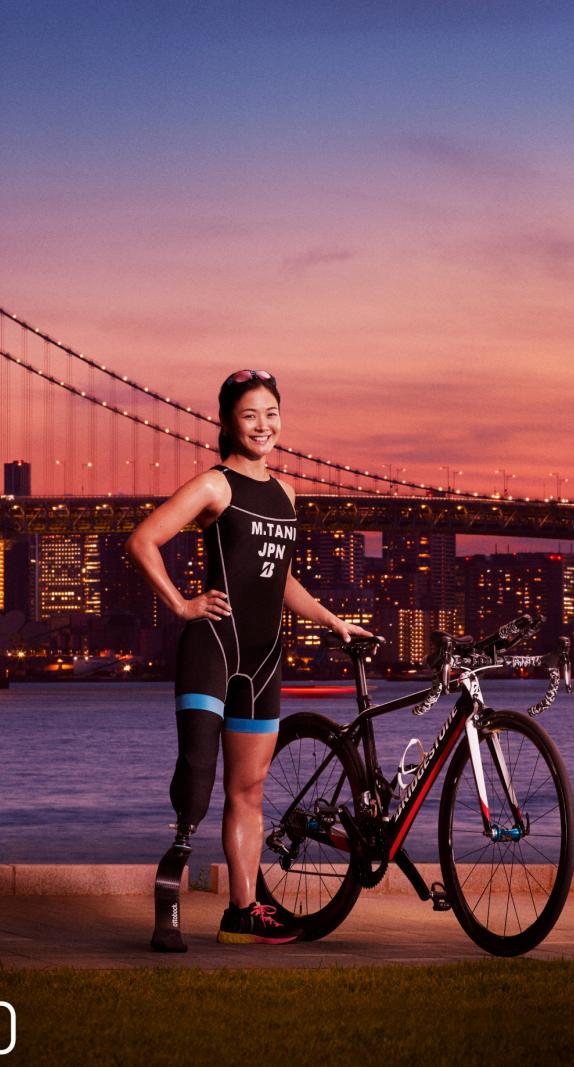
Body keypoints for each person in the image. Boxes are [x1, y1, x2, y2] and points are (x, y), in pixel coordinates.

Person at [125, 369, 371, 945]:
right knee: (199, 777)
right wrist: (182, 606)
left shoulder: (287, 494)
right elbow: (142, 541)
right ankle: (173, 881)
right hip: (212, 646)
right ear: (229, 423)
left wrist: (333, 621)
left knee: (250, 789)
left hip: (264, 656)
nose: (263, 425)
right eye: (249, 415)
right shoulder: (215, 486)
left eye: (271, 413)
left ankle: (242, 911)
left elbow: (279, 577)